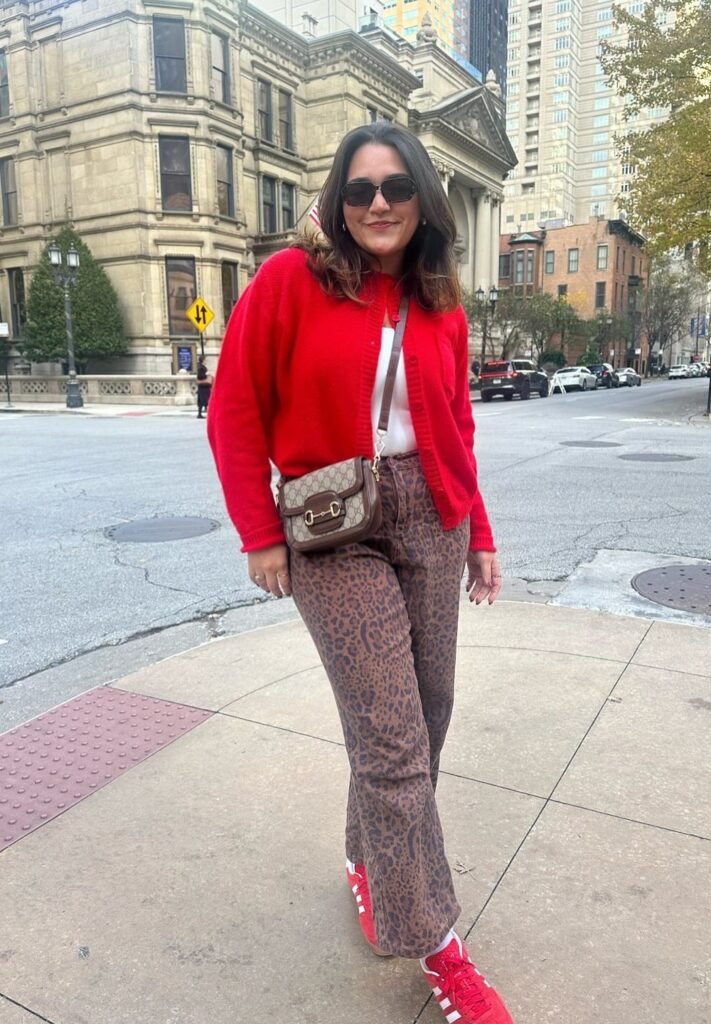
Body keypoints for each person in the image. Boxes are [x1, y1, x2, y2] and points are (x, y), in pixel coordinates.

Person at [207, 121, 512, 1024]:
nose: (376, 203)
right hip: (331, 521)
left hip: (432, 511)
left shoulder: (440, 299)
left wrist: (479, 530)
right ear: (337, 202)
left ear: (422, 197)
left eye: (393, 187)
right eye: (357, 189)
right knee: (392, 743)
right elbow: (234, 413)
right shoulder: (287, 282)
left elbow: (455, 425)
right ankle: (440, 949)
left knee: (425, 715)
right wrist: (260, 534)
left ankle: (366, 859)